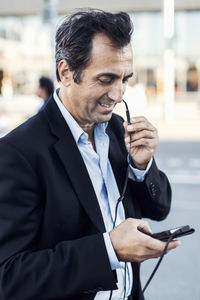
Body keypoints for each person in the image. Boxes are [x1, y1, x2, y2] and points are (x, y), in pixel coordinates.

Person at [0, 9, 180, 300]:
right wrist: (109, 249)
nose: (119, 94)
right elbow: (9, 277)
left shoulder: (117, 129)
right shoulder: (18, 153)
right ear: (66, 73)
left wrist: (142, 167)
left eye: (125, 79)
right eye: (106, 79)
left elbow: (160, 209)